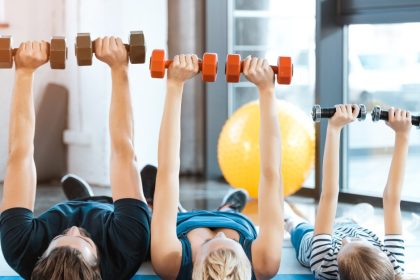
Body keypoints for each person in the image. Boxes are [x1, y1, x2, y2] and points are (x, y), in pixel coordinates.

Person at [0, 38, 150, 280]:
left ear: (40, 255)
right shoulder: (127, 246)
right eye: (84, 239)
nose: (72, 229)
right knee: (158, 217)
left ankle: (84, 198)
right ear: (99, 266)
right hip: (109, 214)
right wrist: (120, 68)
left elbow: (20, 155)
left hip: (85, 211)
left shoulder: (20, 247)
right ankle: (148, 197)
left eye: (59, 237)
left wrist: (24, 71)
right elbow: (123, 152)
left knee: (86, 205)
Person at [151, 55, 284, 280]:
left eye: (209, 242)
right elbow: (271, 175)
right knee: (230, 215)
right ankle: (229, 209)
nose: (221, 233)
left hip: (184, 223)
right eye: (232, 241)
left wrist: (174, 85)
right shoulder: (265, 262)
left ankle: (155, 204)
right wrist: (267, 91)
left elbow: (168, 171)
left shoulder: (169, 261)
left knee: (153, 214)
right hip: (235, 221)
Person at [284, 105, 408, 279]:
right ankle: (350, 221)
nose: (345, 241)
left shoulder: (324, 263)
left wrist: (334, 128)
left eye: (342, 247)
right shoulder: (395, 266)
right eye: (354, 242)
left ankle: (289, 219)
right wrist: (403, 135)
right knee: (354, 229)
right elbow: (392, 200)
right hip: (354, 230)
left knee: (300, 227)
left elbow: (329, 195)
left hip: (313, 240)